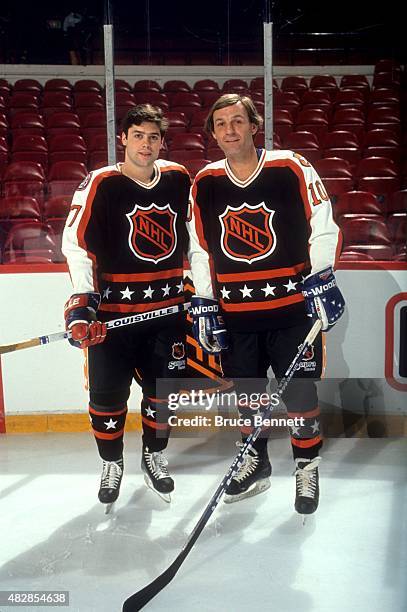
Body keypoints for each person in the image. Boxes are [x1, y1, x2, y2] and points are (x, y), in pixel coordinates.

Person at [187, 93, 345, 516]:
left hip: (292, 310)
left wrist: (322, 273)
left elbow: (322, 219)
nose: (229, 130)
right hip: (237, 315)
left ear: (254, 125)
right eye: (220, 124)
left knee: (300, 396)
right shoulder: (205, 181)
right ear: (213, 132)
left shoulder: (290, 165)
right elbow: (200, 248)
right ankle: (256, 464)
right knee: (248, 396)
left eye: (237, 121)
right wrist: (204, 300)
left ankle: (306, 466)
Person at [62, 104, 190, 508]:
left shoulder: (177, 179)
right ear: (123, 139)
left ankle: (154, 455)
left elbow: (199, 238)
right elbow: (76, 245)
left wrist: (199, 291)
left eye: (153, 137)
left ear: (162, 142)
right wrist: (82, 306)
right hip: (113, 320)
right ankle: (112, 463)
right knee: (107, 398)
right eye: (138, 135)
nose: (146, 144)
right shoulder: (100, 182)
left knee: (162, 394)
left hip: (167, 313)